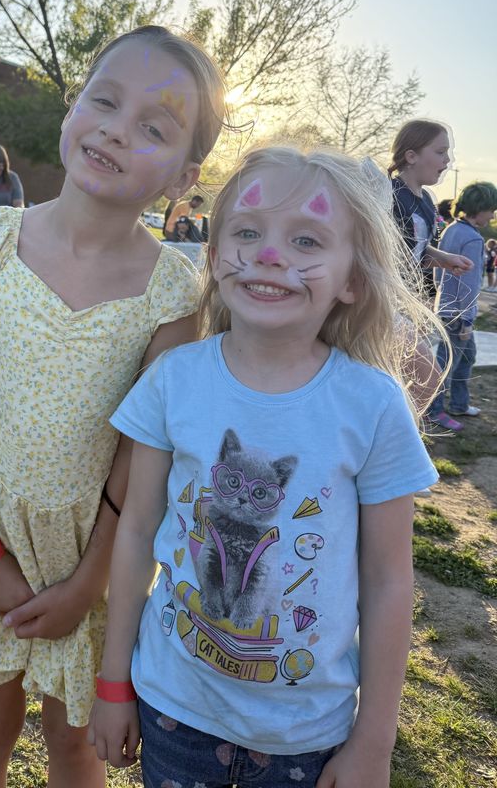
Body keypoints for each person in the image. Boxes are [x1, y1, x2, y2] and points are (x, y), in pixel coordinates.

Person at [0, 25, 226, 787]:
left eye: (152, 128)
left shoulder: (172, 293)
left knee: (75, 745)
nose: (117, 131)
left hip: (96, 564)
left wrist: (91, 580)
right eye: (105, 101)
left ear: (182, 178)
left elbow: (140, 459)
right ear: (70, 112)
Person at [89, 144, 441, 788]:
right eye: (248, 232)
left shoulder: (371, 405)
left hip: (305, 733)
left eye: (307, 240)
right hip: (171, 707)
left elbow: (389, 580)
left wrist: (375, 741)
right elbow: (137, 531)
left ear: (352, 278)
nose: (271, 255)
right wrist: (113, 681)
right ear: (216, 256)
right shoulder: (174, 380)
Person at [427, 182, 497, 431]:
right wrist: (467, 320)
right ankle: (433, 411)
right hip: (459, 314)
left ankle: (459, 403)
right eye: (491, 210)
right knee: (448, 365)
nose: (492, 215)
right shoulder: (473, 239)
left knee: (467, 357)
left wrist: (441, 297)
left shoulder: (451, 230)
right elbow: (470, 282)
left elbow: (438, 269)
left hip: (446, 306)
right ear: (480, 208)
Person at [388, 120, 472, 289]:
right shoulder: (388, 195)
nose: (448, 160)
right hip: (380, 296)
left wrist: (445, 259)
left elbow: (414, 251)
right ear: (411, 156)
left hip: (406, 296)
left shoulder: (426, 198)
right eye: (441, 152)